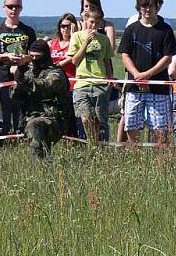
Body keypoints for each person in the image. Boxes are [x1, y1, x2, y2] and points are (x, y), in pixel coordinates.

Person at [118, 0, 176, 144]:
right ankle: (135, 156)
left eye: (151, 6)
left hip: (158, 87)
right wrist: (137, 74)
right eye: (144, 6)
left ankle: (157, 158)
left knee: (159, 127)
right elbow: (125, 55)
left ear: (156, 7)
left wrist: (148, 75)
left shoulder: (165, 30)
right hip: (134, 86)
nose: (147, 10)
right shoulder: (131, 29)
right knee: (131, 124)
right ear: (139, 8)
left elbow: (167, 57)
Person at [9, 40, 71, 159]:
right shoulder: (29, 72)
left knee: (35, 126)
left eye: (37, 56)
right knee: (40, 142)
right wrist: (19, 75)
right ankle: (46, 166)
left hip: (53, 119)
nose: (34, 59)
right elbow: (15, 96)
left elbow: (44, 86)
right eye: (31, 56)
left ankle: (36, 168)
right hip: (31, 116)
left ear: (45, 55)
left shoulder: (56, 73)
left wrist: (24, 80)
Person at [68, 12, 113, 142]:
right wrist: (86, 43)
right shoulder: (76, 36)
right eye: (91, 22)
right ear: (85, 20)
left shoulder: (104, 39)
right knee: (85, 118)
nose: (94, 25)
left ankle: (102, 146)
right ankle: (92, 143)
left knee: (101, 120)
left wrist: (109, 79)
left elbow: (107, 61)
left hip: (100, 83)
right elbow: (75, 61)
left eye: (97, 23)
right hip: (82, 83)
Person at [0, 0, 37, 135]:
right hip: (1, 77)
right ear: (4, 8)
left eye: (17, 6)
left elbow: (34, 55)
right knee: (2, 111)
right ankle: (2, 139)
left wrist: (24, 59)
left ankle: (20, 137)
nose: (13, 9)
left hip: (22, 77)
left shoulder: (28, 31)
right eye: (10, 6)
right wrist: (4, 56)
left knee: (20, 111)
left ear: (21, 8)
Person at [49, 13, 78, 135]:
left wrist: (75, 34)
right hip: (55, 84)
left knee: (71, 115)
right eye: (62, 26)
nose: (65, 29)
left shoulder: (76, 42)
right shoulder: (53, 43)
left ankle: (73, 138)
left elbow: (73, 58)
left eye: (68, 26)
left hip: (71, 83)